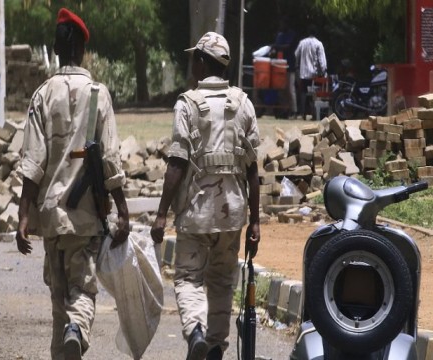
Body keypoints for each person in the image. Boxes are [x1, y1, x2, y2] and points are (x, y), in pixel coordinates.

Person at [15, 8, 129, 360]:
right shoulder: (98, 94)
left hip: (51, 217)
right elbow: (109, 158)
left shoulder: (42, 95)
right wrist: (122, 210)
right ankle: (77, 330)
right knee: (83, 292)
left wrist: (23, 217)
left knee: (58, 300)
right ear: (82, 48)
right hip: (85, 215)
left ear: (58, 48)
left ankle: (66, 340)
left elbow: (32, 163)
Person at [150, 32, 261, 360]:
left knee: (187, 278)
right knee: (222, 283)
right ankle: (214, 346)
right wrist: (256, 222)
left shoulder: (187, 104)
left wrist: (161, 213)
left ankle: (196, 331)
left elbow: (177, 164)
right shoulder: (243, 103)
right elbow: (253, 169)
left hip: (196, 214)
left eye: (193, 59)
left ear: (201, 61)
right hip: (232, 214)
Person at [294, 24, 327, 120]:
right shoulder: (318, 44)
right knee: (315, 94)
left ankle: (302, 113)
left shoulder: (302, 42)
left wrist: (297, 66)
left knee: (303, 93)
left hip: (303, 74)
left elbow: (296, 55)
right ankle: (314, 114)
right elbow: (322, 61)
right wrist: (323, 71)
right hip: (314, 75)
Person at [272, 16, 298, 119]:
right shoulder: (280, 35)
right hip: (280, 65)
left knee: (290, 89)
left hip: (289, 65)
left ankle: (294, 111)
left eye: (283, 24)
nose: (281, 26)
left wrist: (276, 46)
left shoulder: (291, 34)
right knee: (281, 89)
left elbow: (287, 46)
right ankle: (285, 110)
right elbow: (277, 47)